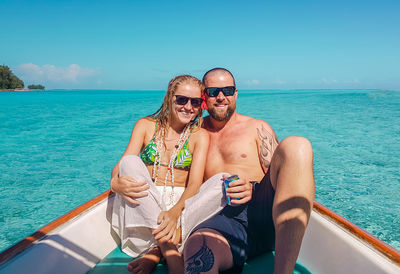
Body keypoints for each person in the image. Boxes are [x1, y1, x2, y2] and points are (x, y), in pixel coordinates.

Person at [182, 68, 315, 274]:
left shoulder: (257, 128)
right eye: (213, 91)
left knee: (297, 145)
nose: (220, 97)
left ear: (235, 93)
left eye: (227, 90)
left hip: (261, 212)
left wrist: (253, 190)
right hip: (220, 219)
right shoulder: (193, 133)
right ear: (204, 96)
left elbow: (279, 176)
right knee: (198, 251)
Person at [110, 75, 228, 274]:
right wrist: (115, 184)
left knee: (224, 180)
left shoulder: (199, 136)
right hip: (143, 218)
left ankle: (157, 251)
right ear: (169, 98)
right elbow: (120, 166)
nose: (188, 107)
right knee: (130, 162)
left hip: (179, 223)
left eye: (196, 102)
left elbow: (194, 185)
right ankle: (168, 250)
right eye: (182, 99)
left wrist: (174, 214)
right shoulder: (145, 125)